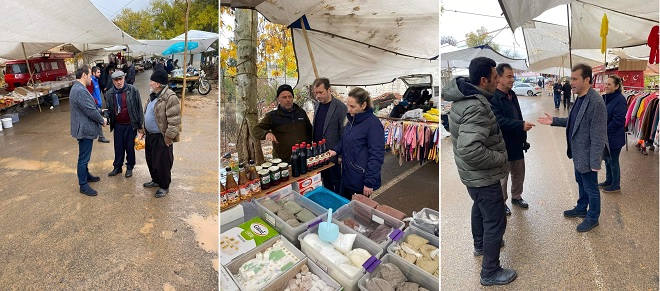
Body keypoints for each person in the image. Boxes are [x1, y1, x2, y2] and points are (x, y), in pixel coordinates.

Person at [442, 56, 515, 286]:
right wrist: (499, 158)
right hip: (483, 176)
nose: (498, 81)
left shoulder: (463, 98)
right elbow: (471, 150)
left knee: (479, 208)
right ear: (484, 80)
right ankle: (490, 272)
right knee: (496, 221)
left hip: (473, 177)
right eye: (495, 78)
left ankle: (480, 245)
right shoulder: (476, 106)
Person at [537, 64, 608, 232]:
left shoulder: (596, 102)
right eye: (571, 78)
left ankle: (593, 217)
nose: (571, 82)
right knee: (581, 183)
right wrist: (554, 121)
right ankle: (581, 208)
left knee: (591, 188)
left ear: (587, 80)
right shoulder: (579, 98)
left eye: (575, 79)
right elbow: (573, 122)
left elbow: (599, 136)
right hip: (578, 153)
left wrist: (595, 162)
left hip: (588, 156)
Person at [490, 63, 535, 216]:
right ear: (499, 78)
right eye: (509, 76)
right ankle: (501, 202)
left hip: (517, 142)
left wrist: (523, 137)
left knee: (518, 173)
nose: (512, 79)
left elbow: (518, 115)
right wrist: (521, 125)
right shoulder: (493, 98)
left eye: (512, 76)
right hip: (502, 145)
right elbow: (498, 121)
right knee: (502, 177)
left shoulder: (512, 94)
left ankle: (517, 197)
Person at [328, 88, 384, 199]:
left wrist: (369, 182)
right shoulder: (352, 120)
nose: (348, 110)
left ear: (363, 105)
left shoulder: (373, 124)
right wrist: (335, 150)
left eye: (352, 106)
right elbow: (345, 140)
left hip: (361, 179)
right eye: (348, 105)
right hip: (347, 176)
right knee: (343, 208)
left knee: (358, 213)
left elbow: (376, 155)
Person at [138, 69, 181, 198]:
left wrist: (168, 138)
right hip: (150, 135)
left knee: (162, 162)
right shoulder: (153, 95)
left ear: (157, 84)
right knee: (151, 160)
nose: (149, 83)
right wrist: (143, 130)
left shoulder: (170, 97)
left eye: (151, 81)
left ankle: (164, 185)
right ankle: (155, 180)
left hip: (162, 137)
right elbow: (148, 114)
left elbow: (174, 121)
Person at [70, 65, 107, 196]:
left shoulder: (78, 88)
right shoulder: (80, 90)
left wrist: (100, 110)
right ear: (84, 75)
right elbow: (90, 110)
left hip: (83, 127)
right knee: (83, 158)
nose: (91, 77)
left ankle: (86, 176)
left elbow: (88, 107)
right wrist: (102, 120)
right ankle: (83, 185)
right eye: (90, 74)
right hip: (84, 129)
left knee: (84, 156)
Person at [253, 84, 312, 163]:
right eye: (284, 97)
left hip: (303, 157)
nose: (288, 100)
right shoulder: (272, 116)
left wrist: (309, 147)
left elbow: (309, 130)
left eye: (290, 96)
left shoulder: (301, 112)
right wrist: (266, 133)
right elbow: (256, 130)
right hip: (283, 161)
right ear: (278, 99)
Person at [105, 70, 144, 178]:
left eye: (121, 79)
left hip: (130, 125)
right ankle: (117, 167)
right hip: (117, 125)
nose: (119, 82)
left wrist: (140, 126)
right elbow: (109, 109)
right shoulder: (109, 93)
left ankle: (130, 167)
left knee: (129, 147)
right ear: (113, 81)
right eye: (116, 80)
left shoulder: (133, 90)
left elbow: (139, 108)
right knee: (118, 147)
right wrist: (105, 117)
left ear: (124, 79)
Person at [312, 78, 347, 193]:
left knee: (336, 182)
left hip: (333, 153)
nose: (318, 95)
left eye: (321, 92)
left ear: (329, 90)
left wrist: (341, 154)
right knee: (325, 182)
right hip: (319, 153)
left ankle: (339, 208)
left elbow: (344, 132)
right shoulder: (317, 105)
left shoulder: (340, 107)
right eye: (316, 92)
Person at [599, 75, 627, 193]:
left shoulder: (620, 100)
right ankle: (609, 180)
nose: (606, 86)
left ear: (616, 86)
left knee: (613, 161)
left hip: (614, 137)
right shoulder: (607, 98)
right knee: (607, 159)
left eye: (609, 84)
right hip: (607, 137)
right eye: (606, 84)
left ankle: (616, 185)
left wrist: (604, 130)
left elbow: (618, 121)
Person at [88, 66, 110, 143]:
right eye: (98, 72)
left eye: (100, 72)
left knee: (97, 121)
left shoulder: (96, 80)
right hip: (95, 106)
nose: (100, 73)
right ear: (93, 73)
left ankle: (97, 136)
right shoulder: (91, 82)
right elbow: (89, 95)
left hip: (98, 105)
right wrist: (96, 102)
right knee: (99, 120)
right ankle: (100, 136)